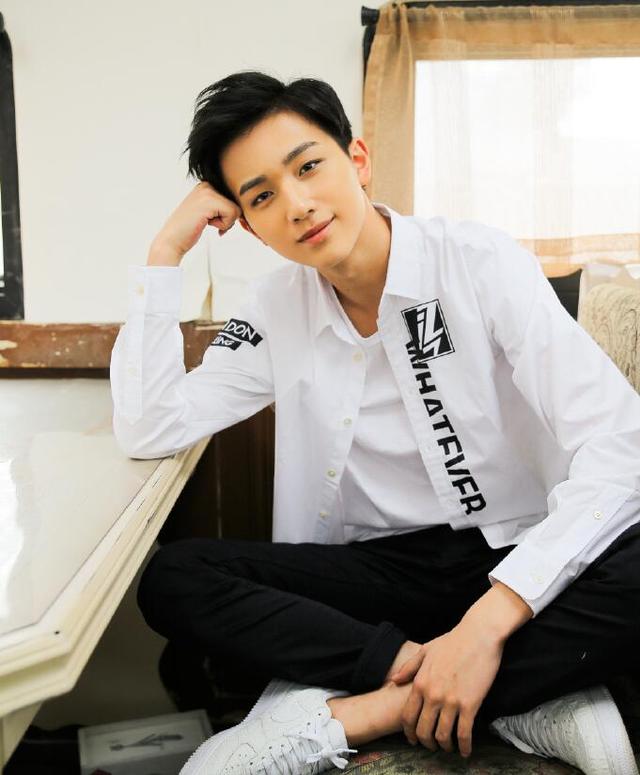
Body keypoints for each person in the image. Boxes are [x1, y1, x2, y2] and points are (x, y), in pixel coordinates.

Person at [109, 70, 640, 775]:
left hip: (510, 554)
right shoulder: (275, 308)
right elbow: (150, 426)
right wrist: (164, 255)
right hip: (376, 580)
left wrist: (486, 625)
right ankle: (488, 688)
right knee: (175, 578)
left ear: (357, 160)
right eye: (262, 196)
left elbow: (619, 444)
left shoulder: (479, 263)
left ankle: (376, 710)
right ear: (252, 228)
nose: (297, 204)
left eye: (308, 167)